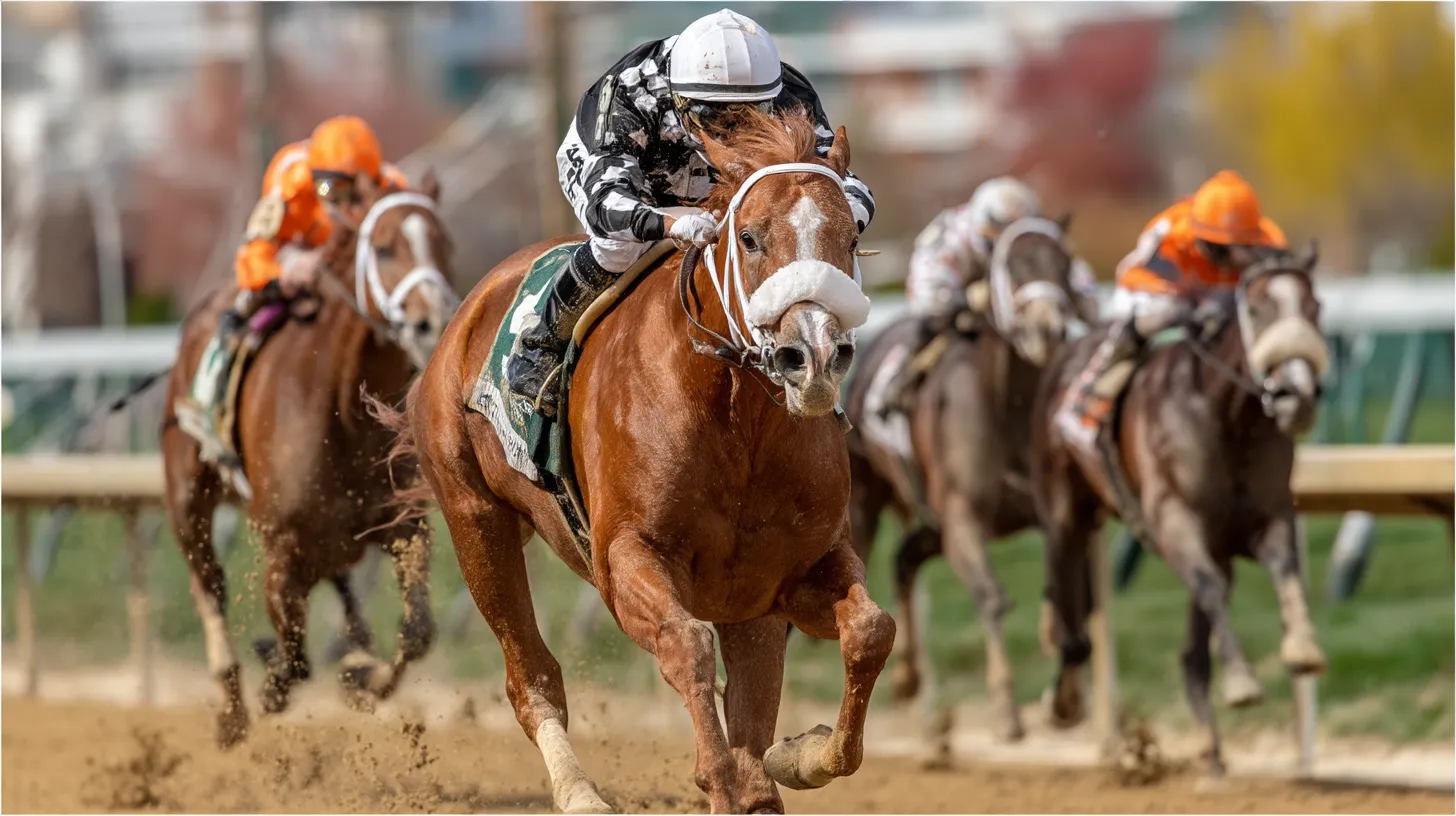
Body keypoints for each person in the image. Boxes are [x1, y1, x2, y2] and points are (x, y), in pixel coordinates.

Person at [507, 8, 877, 415]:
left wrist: (837, 221)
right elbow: (606, 206)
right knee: (617, 248)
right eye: (715, 116)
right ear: (680, 100)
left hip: (735, 182)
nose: (733, 129)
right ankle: (540, 344)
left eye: (750, 114)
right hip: (634, 180)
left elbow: (842, 183)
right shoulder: (630, 96)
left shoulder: (790, 96)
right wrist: (670, 223)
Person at [185, 115, 410, 449]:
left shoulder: (395, 187)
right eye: (329, 190)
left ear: (373, 182)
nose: (342, 205)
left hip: (352, 274)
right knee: (238, 307)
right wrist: (281, 277)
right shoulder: (291, 178)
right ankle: (207, 397)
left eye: (356, 194)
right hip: (295, 254)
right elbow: (252, 257)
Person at [1055, 170, 1288, 450]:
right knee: (1163, 315)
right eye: (1220, 250)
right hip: (1155, 289)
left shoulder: (1269, 239)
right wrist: (1187, 310)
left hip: (1213, 294)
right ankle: (1090, 396)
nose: (1230, 259)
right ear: (1202, 238)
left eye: (1238, 248)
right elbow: (1141, 279)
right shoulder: (1172, 235)